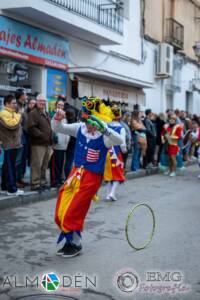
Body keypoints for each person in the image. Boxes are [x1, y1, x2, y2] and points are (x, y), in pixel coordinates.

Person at [51, 97, 123, 258]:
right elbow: (58, 128)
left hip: (91, 178)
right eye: (85, 119)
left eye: (90, 120)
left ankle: (74, 244)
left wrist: (104, 129)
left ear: (98, 119)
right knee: (61, 209)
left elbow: (120, 140)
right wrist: (57, 118)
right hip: (75, 174)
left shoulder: (105, 135)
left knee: (74, 210)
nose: (87, 124)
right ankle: (71, 242)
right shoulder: (79, 128)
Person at [27, 94, 52, 191]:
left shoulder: (46, 112)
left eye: (44, 101)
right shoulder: (33, 113)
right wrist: (41, 135)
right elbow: (31, 128)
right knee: (37, 164)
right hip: (38, 144)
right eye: (41, 101)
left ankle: (42, 182)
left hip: (46, 143)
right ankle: (35, 184)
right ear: (37, 102)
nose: (42, 103)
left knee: (44, 165)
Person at [0, 94, 24, 196]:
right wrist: (19, 115)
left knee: (7, 166)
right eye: (13, 103)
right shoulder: (4, 113)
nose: (15, 105)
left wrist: (17, 115)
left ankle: (4, 187)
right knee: (10, 167)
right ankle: (12, 189)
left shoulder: (12, 112)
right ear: (7, 104)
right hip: (9, 143)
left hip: (13, 143)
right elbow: (12, 125)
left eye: (15, 103)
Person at [104, 105, 127, 201]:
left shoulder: (106, 126)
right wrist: (125, 152)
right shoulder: (121, 128)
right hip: (116, 154)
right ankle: (112, 193)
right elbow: (123, 144)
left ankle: (108, 194)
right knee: (118, 174)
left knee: (108, 174)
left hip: (106, 153)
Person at [50, 100, 70, 188]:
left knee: (61, 163)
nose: (60, 106)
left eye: (62, 105)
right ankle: (54, 181)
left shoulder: (64, 116)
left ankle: (59, 179)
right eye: (59, 105)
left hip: (63, 145)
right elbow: (52, 129)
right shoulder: (53, 115)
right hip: (56, 144)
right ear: (56, 105)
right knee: (55, 164)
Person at [15, 89, 28, 188]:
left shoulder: (23, 106)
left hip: (24, 136)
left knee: (22, 159)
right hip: (18, 136)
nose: (26, 96)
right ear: (21, 96)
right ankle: (15, 180)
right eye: (25, 94)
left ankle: (19, 178)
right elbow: (16, 121)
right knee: (18, 160)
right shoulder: (16, 106)